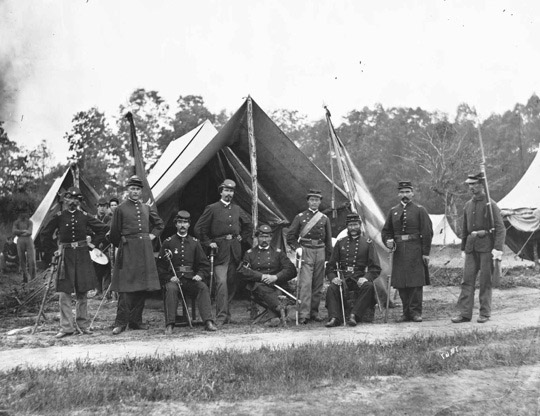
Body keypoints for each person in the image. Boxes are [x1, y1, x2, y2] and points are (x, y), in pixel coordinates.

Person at [41, 187, 109, 338]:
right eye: (70, 199)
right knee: (64, 293)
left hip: (83, 256)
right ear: (65, 200)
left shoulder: (85, 216)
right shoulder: (59, 216)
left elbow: (103, 229)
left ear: (79, 201)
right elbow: (45, 233)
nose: (73, 202)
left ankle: (83, 325)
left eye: (76, 199)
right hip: (65, 257)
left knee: (82, 292)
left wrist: (94, 244)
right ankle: (66, 328)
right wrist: (53, 251)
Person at [109, 175, 164, 335]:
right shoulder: (120, 209)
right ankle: (120, 322)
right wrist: (123, 244)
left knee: (142, 285)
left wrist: (152, 236)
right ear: (128, 190)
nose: (135, 192)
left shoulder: (146, 208)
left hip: (144, 251)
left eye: (138, 189)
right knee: (126, 288)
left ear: (141, 191)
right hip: (128, 251)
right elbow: (114, 234)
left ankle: (136, 321)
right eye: (132, 189)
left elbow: (159, 224)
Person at [194, 179, 252, 325]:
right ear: (221, 192)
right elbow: (199, 228)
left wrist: (242, 237)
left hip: (235, 250)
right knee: (221, 282)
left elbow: (248, 225)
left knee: (232, 283)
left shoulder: (237, 209)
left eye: (231, 191)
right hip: (219, 251)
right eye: (226, 190)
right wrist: (209, 243)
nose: (229, 193)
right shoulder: (212, 208)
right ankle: (220, 316)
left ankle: (227, 315)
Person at [451, 173, 506, 324]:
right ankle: (464, 313)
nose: (471, 187)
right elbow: (464, 228)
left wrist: (497, 248)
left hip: (486, 248)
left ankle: (485, 313)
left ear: (482, 185)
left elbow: (501, 229)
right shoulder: (468, 205)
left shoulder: (491, 204)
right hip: (471, 247)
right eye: (469, 184)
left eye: (474, 184)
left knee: (485, 281)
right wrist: (463, 248)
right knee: (467, 281)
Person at [158, 210, 217, 333]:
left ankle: (208, 321)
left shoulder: (195, 243)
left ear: (189, 225)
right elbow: (160, 267)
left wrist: (200, 275)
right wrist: (169, 278)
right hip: (174, 279)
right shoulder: (168, 242)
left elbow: (204, 265)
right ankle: (170, 324)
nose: (182, 225)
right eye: (180, 222)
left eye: (185, 222)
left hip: (191, 279)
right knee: (171, 289)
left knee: (202, 287)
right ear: (176, 225)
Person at [381, 180, 432, 323]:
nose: (405, 195)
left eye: (407, 192)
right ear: (398, 194)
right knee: (401, 283)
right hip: (398, 252)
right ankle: (406, 312)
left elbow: (427, 232)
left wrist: (425, 253)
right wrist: (388, 241)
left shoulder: (420, 210)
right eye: (402, 192)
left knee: (415, 283)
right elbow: (386, 231)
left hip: (415, 250)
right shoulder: (393, 211)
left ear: (412, 193)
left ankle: (415, 313)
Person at [325, 213, 382, 327]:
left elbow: (375, 267)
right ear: (347, 226)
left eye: (355, 225)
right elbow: (330, 266)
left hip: (359, 277)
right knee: (332, 288)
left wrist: (365, 278)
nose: (353, 228)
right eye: (350, 225)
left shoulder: (367, 243)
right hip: (344, 278)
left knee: (369, 286)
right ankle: (334, 318)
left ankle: (354, 315)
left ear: (360, 226)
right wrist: (334, 278)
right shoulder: (340, 243)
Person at [286, 189, 332, 324]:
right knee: (305, 284)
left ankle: (314, 312)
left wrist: (327, 259)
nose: (314, 202)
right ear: (308, 201)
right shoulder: (300, 217)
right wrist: (298, 248)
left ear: (320, 202)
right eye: (312, 200)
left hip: (320, 251)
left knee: (318, 284)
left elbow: (328, 240)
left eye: (317, 200)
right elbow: (290, 236)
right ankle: (303, 314)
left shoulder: (324, 218)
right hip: (306, 251)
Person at [238, 224, 297, 327]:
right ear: (257, 237)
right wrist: (261, 276)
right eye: (261, 237)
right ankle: (280, 308)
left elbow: (291, 270)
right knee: (262, 287)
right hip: (258, 286)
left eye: (267, 237)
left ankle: (273, 318)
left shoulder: (278, 253)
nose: (264, 239)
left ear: (271, 238)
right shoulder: (250, 253)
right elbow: (242, 271)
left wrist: (276, 277)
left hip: (277, 284)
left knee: (277, 291)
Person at [93, 198, 112, 298]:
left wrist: (103, 242)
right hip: (94, 247)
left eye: (104, 206)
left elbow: (108, 232)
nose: (102, 208)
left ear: (107, 207)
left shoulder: (109, 219)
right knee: (96, 269)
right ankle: (98, 291)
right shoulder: (93, 218)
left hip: (105, 247)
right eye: (100, 206)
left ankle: (106, 292)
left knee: (106, 268)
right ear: (97, 207)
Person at [12, 211, 36, 283]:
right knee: (21, 259)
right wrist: (23, 231)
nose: (23, 214)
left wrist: (20, 232)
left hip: (28, 240)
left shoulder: (29, 222)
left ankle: (33, 278)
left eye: (25, 213)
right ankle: (25, 277)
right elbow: (14, 231)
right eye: (21, 213)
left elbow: (30, 232)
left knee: (31, 259)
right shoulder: (16, 222)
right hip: (20, 240)